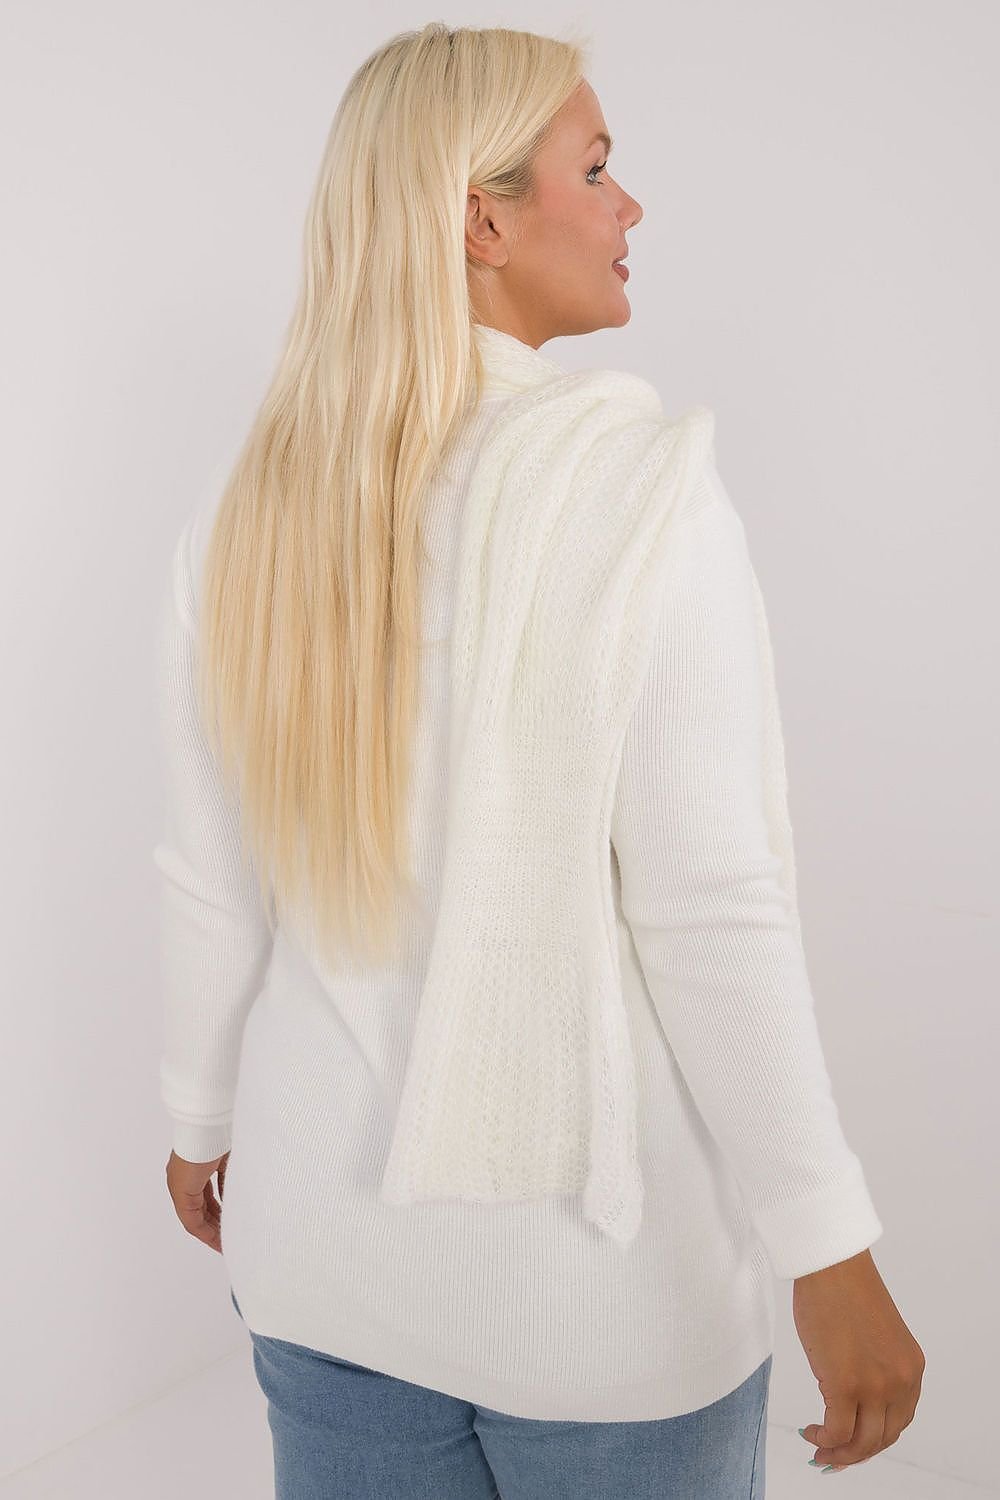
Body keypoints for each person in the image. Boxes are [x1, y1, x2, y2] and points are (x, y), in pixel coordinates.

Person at [155, 22, 924, 1498]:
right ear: (481, 220)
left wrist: (196, 1116)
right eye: (597, 167)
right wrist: (827, 1243)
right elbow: (709, 908)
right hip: (600, 1300)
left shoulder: (248, 515)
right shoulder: (640, 499)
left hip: (320, 1262)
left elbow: (210, 872)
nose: (631, 205)